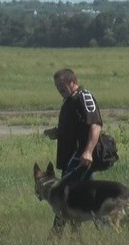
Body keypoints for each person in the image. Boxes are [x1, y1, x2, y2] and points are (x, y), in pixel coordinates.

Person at [43, 68, 104, 234]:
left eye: (62, 86)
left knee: (63, 194)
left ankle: (56, 235)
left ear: (73, 82)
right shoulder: (69, 100)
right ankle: (103, 227)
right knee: (86, 197)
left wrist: (88, 151)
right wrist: (57, 132)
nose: (59, 90)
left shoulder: (84, 97)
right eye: (57, 87)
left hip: (81, 158)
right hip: (71, 158)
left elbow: (95, 125)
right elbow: (73, 128)